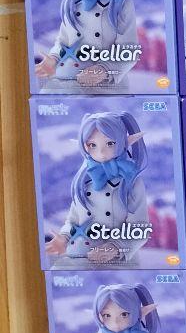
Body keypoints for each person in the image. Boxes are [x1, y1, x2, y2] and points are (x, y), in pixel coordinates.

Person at [46, 111, 148, 267]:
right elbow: (73, 221)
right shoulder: (83, 180)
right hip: (78, 255)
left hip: (118, 262)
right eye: (92, 145)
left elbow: (140, 227)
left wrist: (115, 247)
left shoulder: (131, 182)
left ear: (123, 142)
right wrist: (64, 237)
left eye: (110, 143)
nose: (101, 152)